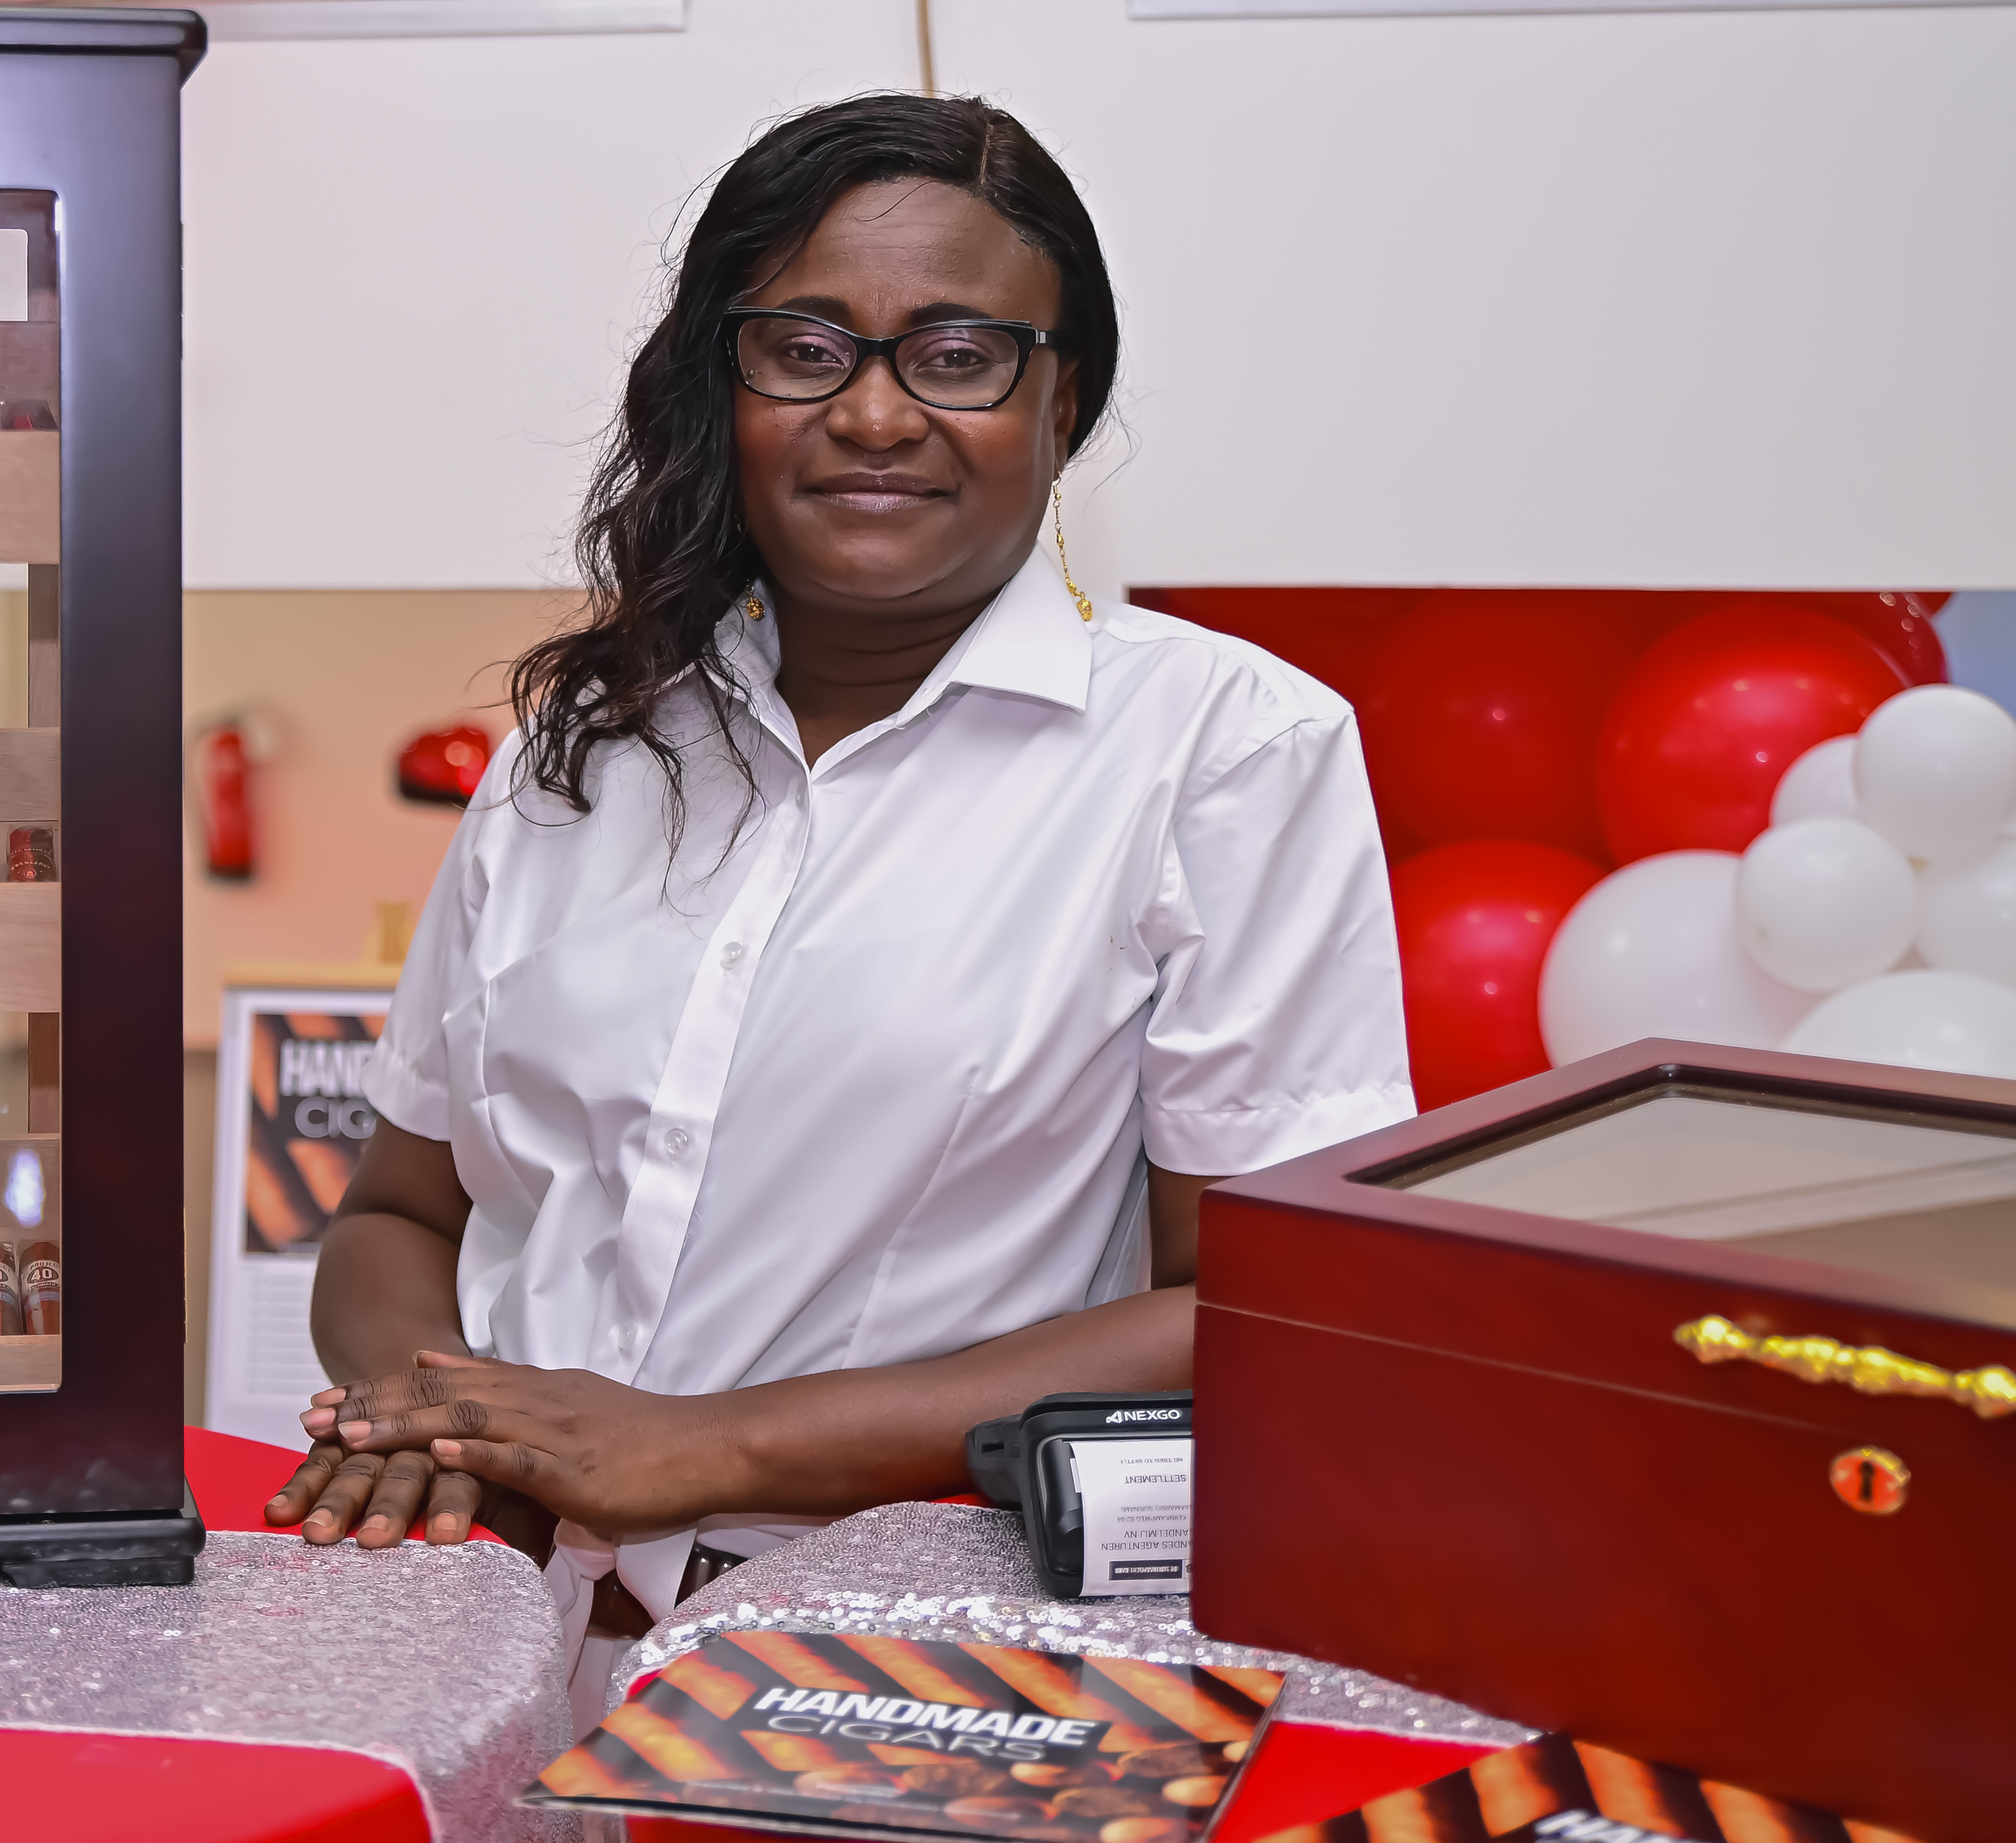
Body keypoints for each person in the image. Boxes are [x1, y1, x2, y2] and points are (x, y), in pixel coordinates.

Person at [262, 93, 1413, 1719]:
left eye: (959, 356)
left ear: (1064, 395)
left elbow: (1263, 1311)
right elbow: (399, 1216)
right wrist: (441, 1423)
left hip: (906, 1686)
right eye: (805, 350)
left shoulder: (1223, 748)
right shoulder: (579, 748)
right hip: (491, 1654)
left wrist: (706, 1447)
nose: (875, 414)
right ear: (722, 387)